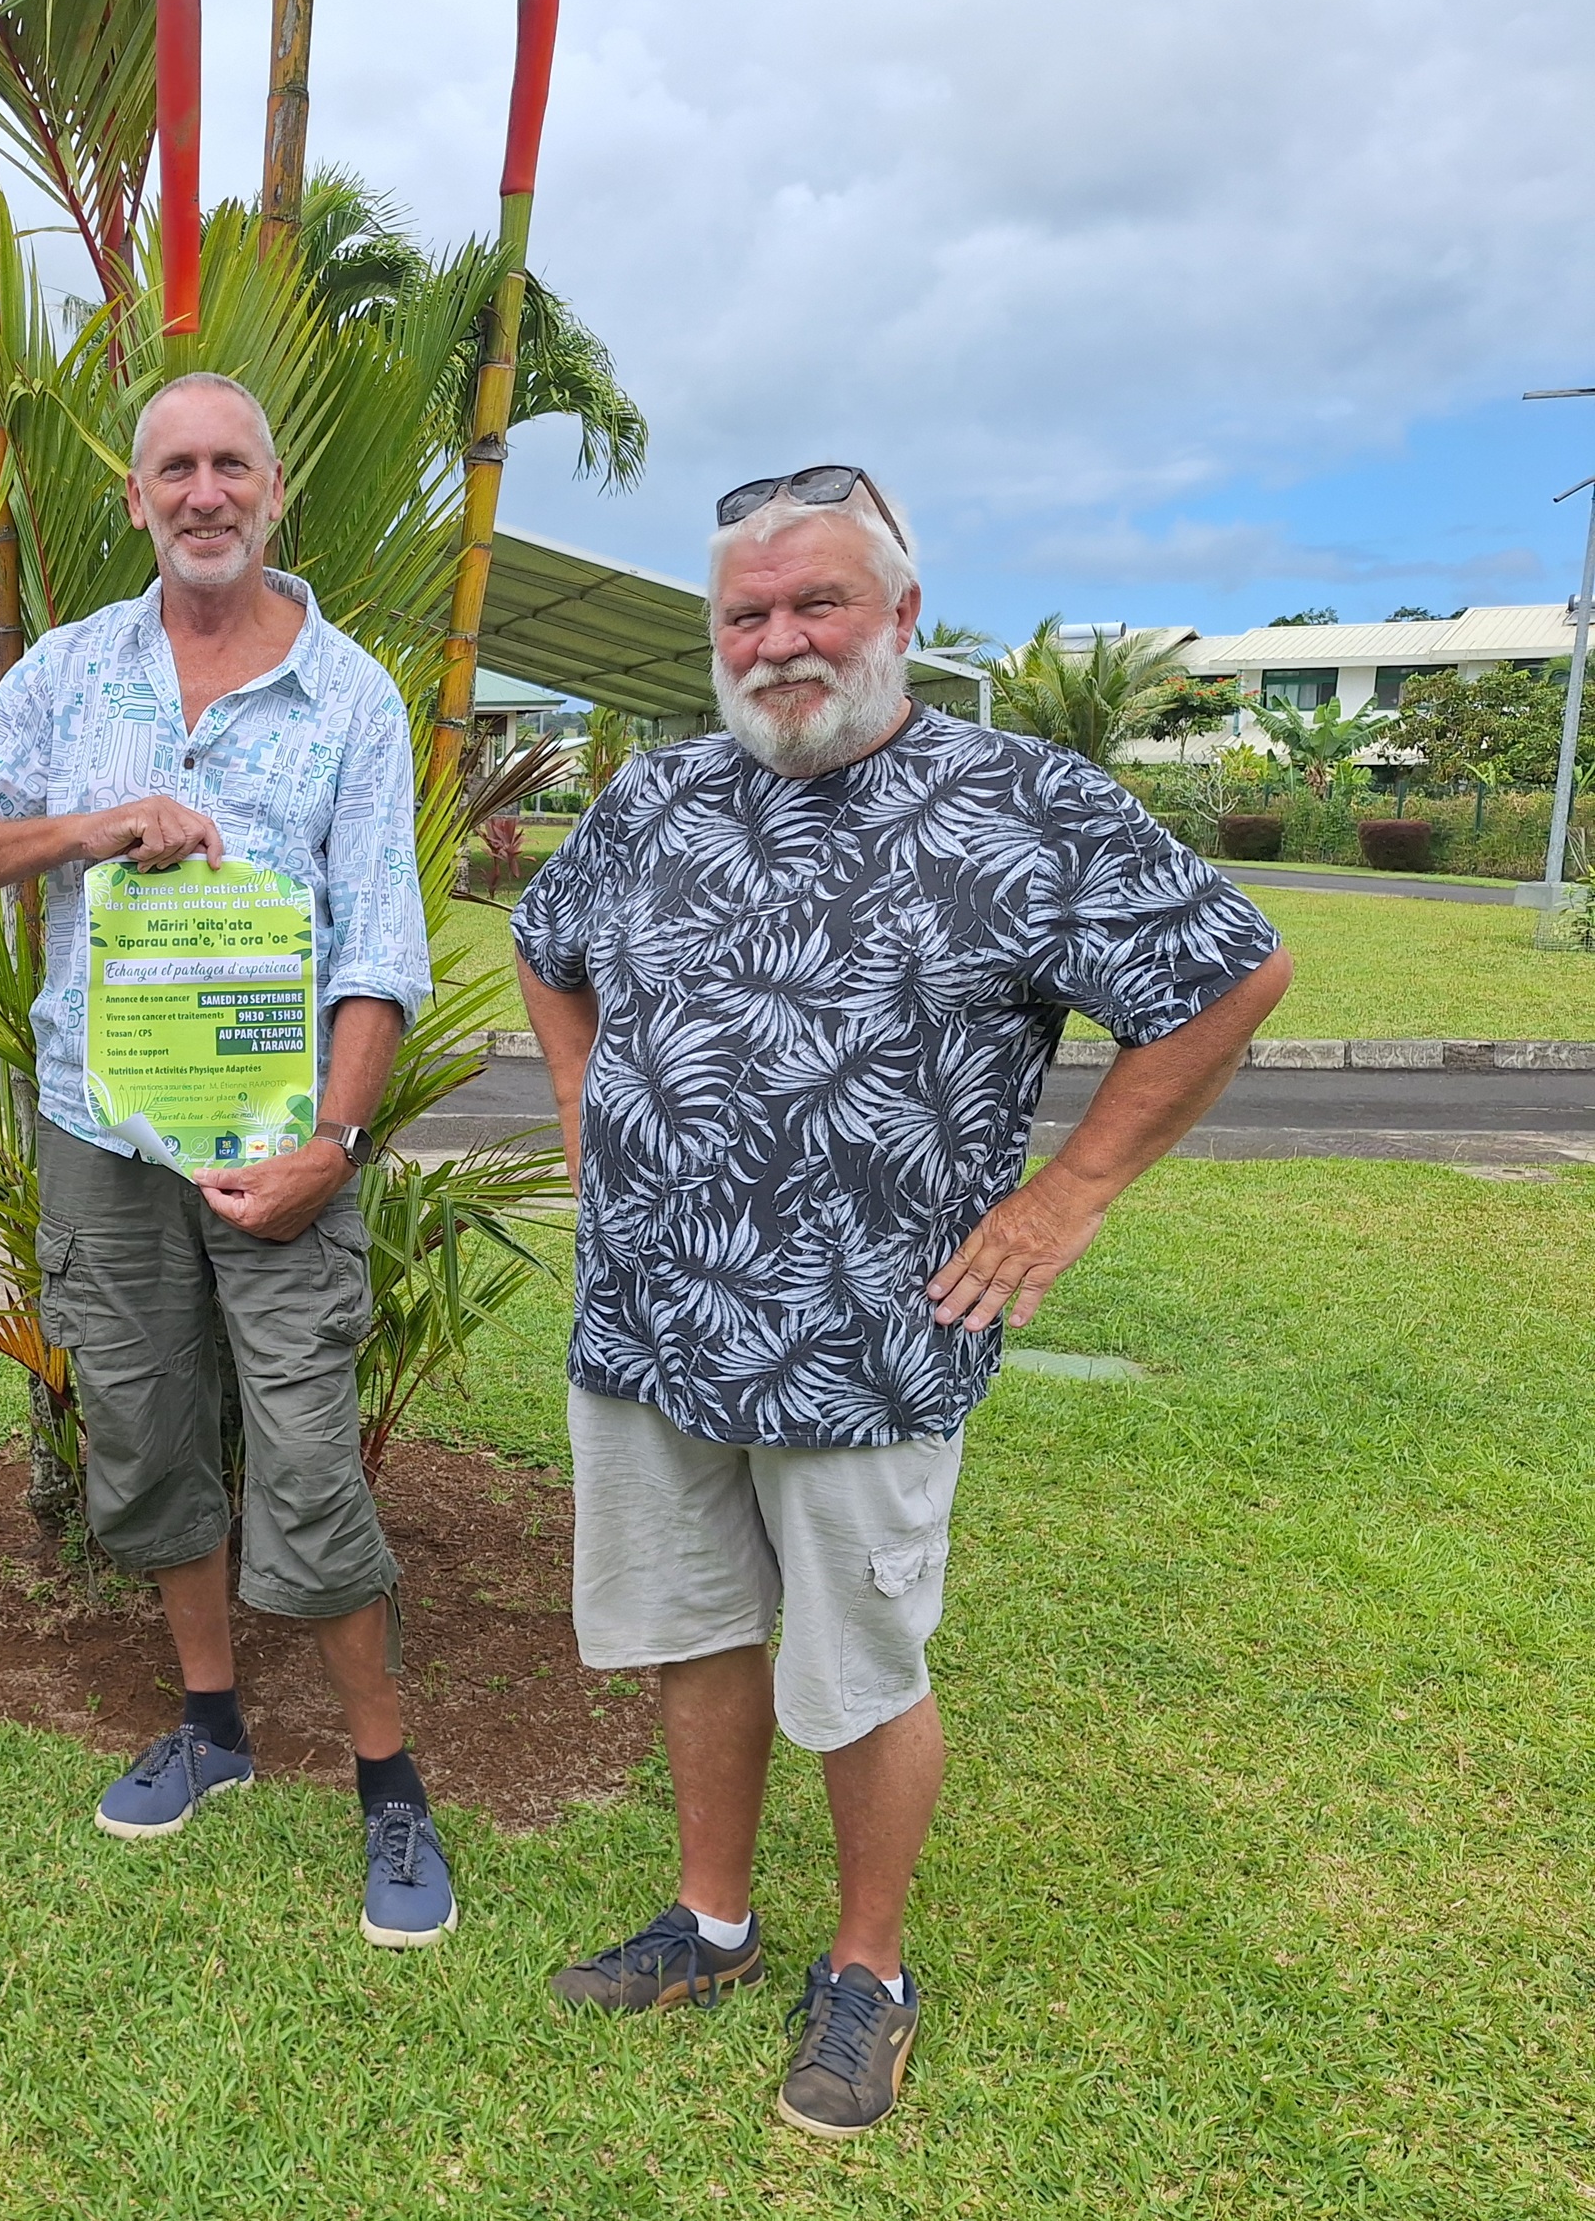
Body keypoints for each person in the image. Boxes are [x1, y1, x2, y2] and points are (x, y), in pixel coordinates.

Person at [511, 465, 1290, 2136]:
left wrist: (1071, 1192)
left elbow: (1230, 973)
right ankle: (713, 1919)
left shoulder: (1026, 802)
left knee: (858, 1660)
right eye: (747, 614)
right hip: (647, 1319)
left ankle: (868, 1970)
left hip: (870, 1339)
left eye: (819, 603)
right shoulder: (652, 798)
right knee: (694, 1627)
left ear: (903, 615)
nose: (780, 640)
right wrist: (583, 1103)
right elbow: (546, 941)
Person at [0, 372, 451, 1947]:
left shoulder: (351, 697)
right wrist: (82, 827)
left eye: (232, 466)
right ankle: (211, 1723)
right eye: (175, 468)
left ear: (275, 491)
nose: (206, 493)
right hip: (102, 1134)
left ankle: (388, 1777)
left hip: (275, 1151)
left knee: (309, 1446)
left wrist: (332, 1145)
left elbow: (381, 949)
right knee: (140, 1433)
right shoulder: (71, 676)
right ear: (136, 500)